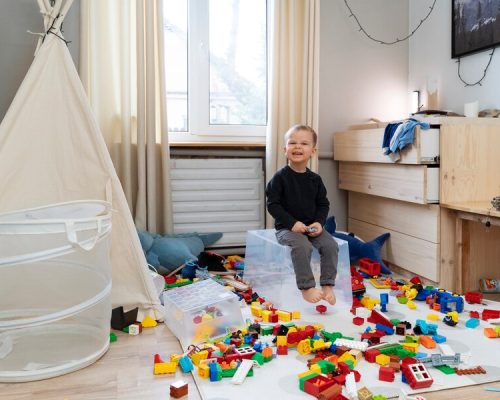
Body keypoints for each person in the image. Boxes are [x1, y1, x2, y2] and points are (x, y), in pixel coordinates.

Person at [266, 124, 338, 305]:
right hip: (286, 229)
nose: (298, 147)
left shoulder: (315, 179)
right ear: (285, 150)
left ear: (312, 151)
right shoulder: (280, 178)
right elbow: (273, 205)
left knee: (330, 245)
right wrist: (291, 223)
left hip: (311, 227)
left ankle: (328, 284)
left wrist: (320, 223)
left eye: (304, 143)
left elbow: (323, 204)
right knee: (302, 246)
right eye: (292, 143)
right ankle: (306, 287)